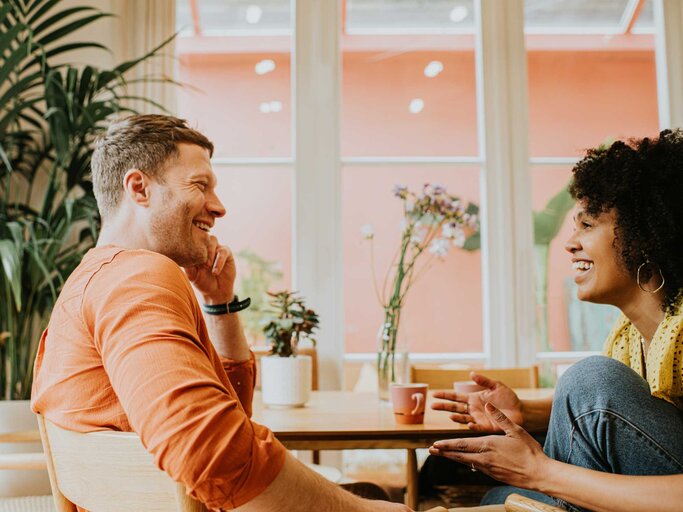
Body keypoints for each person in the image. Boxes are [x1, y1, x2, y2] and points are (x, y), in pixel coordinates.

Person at [31, 114, 410, 512]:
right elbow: (206, 450)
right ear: (139, 188)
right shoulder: (137, 276)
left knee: (370, 490)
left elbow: (231, 419)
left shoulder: (89, 280)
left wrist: (220, 304)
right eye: (200, 185)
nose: (219, 207)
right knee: (374, 498)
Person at [428, 130, 683, 512]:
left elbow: (597, 402)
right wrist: (525, 412)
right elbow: (619, 419)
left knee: (590, 379)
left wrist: (540, 472)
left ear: (642, 234)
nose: (570, 242)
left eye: (587, 224)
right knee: (496, 497)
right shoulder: (628, 336)